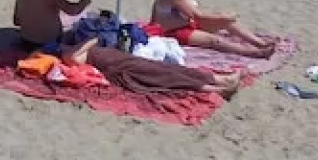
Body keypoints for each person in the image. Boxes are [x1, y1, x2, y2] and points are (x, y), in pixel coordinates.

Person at [63, 38, 244, 98]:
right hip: (122, 66)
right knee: (165, 76)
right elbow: (71, 57)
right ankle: (217, 89)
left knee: (170, 70)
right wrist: (92, 40)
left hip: (127, 60)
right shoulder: (70, 56)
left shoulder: (77, 51)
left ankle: (221, 79)